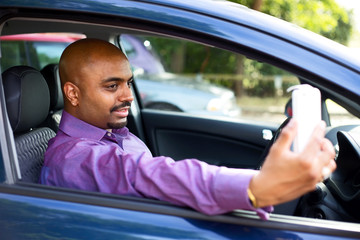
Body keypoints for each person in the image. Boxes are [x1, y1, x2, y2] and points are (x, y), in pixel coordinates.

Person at [40, 38, 336, 220]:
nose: (128, 95)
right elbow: (146, 175)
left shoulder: (112, 132)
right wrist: (256, 189)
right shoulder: (73, 158)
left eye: (128, 82)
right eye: (112, 86)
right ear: (73, 94)